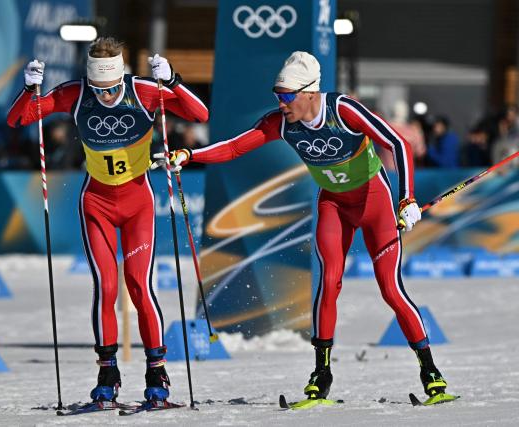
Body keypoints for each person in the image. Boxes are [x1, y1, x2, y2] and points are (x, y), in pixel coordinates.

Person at [160, 51, 451, 402]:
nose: (281, 103)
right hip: (334, 204)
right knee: (328, 284)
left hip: (375, 203)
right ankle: (321, 374)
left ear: (309, 92)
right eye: (277, 96)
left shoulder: (342, 110)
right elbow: (237, 146)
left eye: (286, 96)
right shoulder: (281, 123)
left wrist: (406, 199)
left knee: (390, 289)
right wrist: (190, 156)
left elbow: (398, 143)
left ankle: (429, 370)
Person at [7, 37, 209, 404]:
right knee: (106, 286)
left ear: (122, 77)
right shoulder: (76, 93)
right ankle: (107, 371)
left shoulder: (144, 91)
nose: (106, 96)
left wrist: (175, 80)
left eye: (113, 88)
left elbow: (200, 115)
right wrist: (28, 89)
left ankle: (157, 372)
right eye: (100, 89)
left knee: (139, 284)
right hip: (96, 202)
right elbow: (19, 118)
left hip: (137, 203)